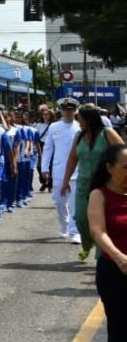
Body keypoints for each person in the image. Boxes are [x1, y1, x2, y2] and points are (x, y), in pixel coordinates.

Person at [86, 144, 127, 342]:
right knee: (122, 326)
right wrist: (120, 258)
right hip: (115, 271)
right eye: (125, 167)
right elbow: (97, 231)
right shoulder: (99, 196)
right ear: (110, 168)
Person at [63, 103, 126, 253]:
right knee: (81, 219)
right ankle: (87, 244)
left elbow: (122, 152)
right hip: (83, 184)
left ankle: (102, 252)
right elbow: (73, 158)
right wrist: (66, 180)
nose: (78, 122)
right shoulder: (79, 136)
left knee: (104, 221)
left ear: (89, 120)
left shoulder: (107, 133)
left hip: (103, 184)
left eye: (80, 119)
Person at [44, 99, 85, 242]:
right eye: (65, 109)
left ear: (75, 111)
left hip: (77, 170)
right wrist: (44, 167)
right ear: (60, 110)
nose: (68, 112)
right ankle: (64, 225)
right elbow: (48, 148)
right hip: (59, 170)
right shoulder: (54, 127)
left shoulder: (80, 127)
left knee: (74, 202)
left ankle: (75, 231)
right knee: (59, 201)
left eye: (71, 109)